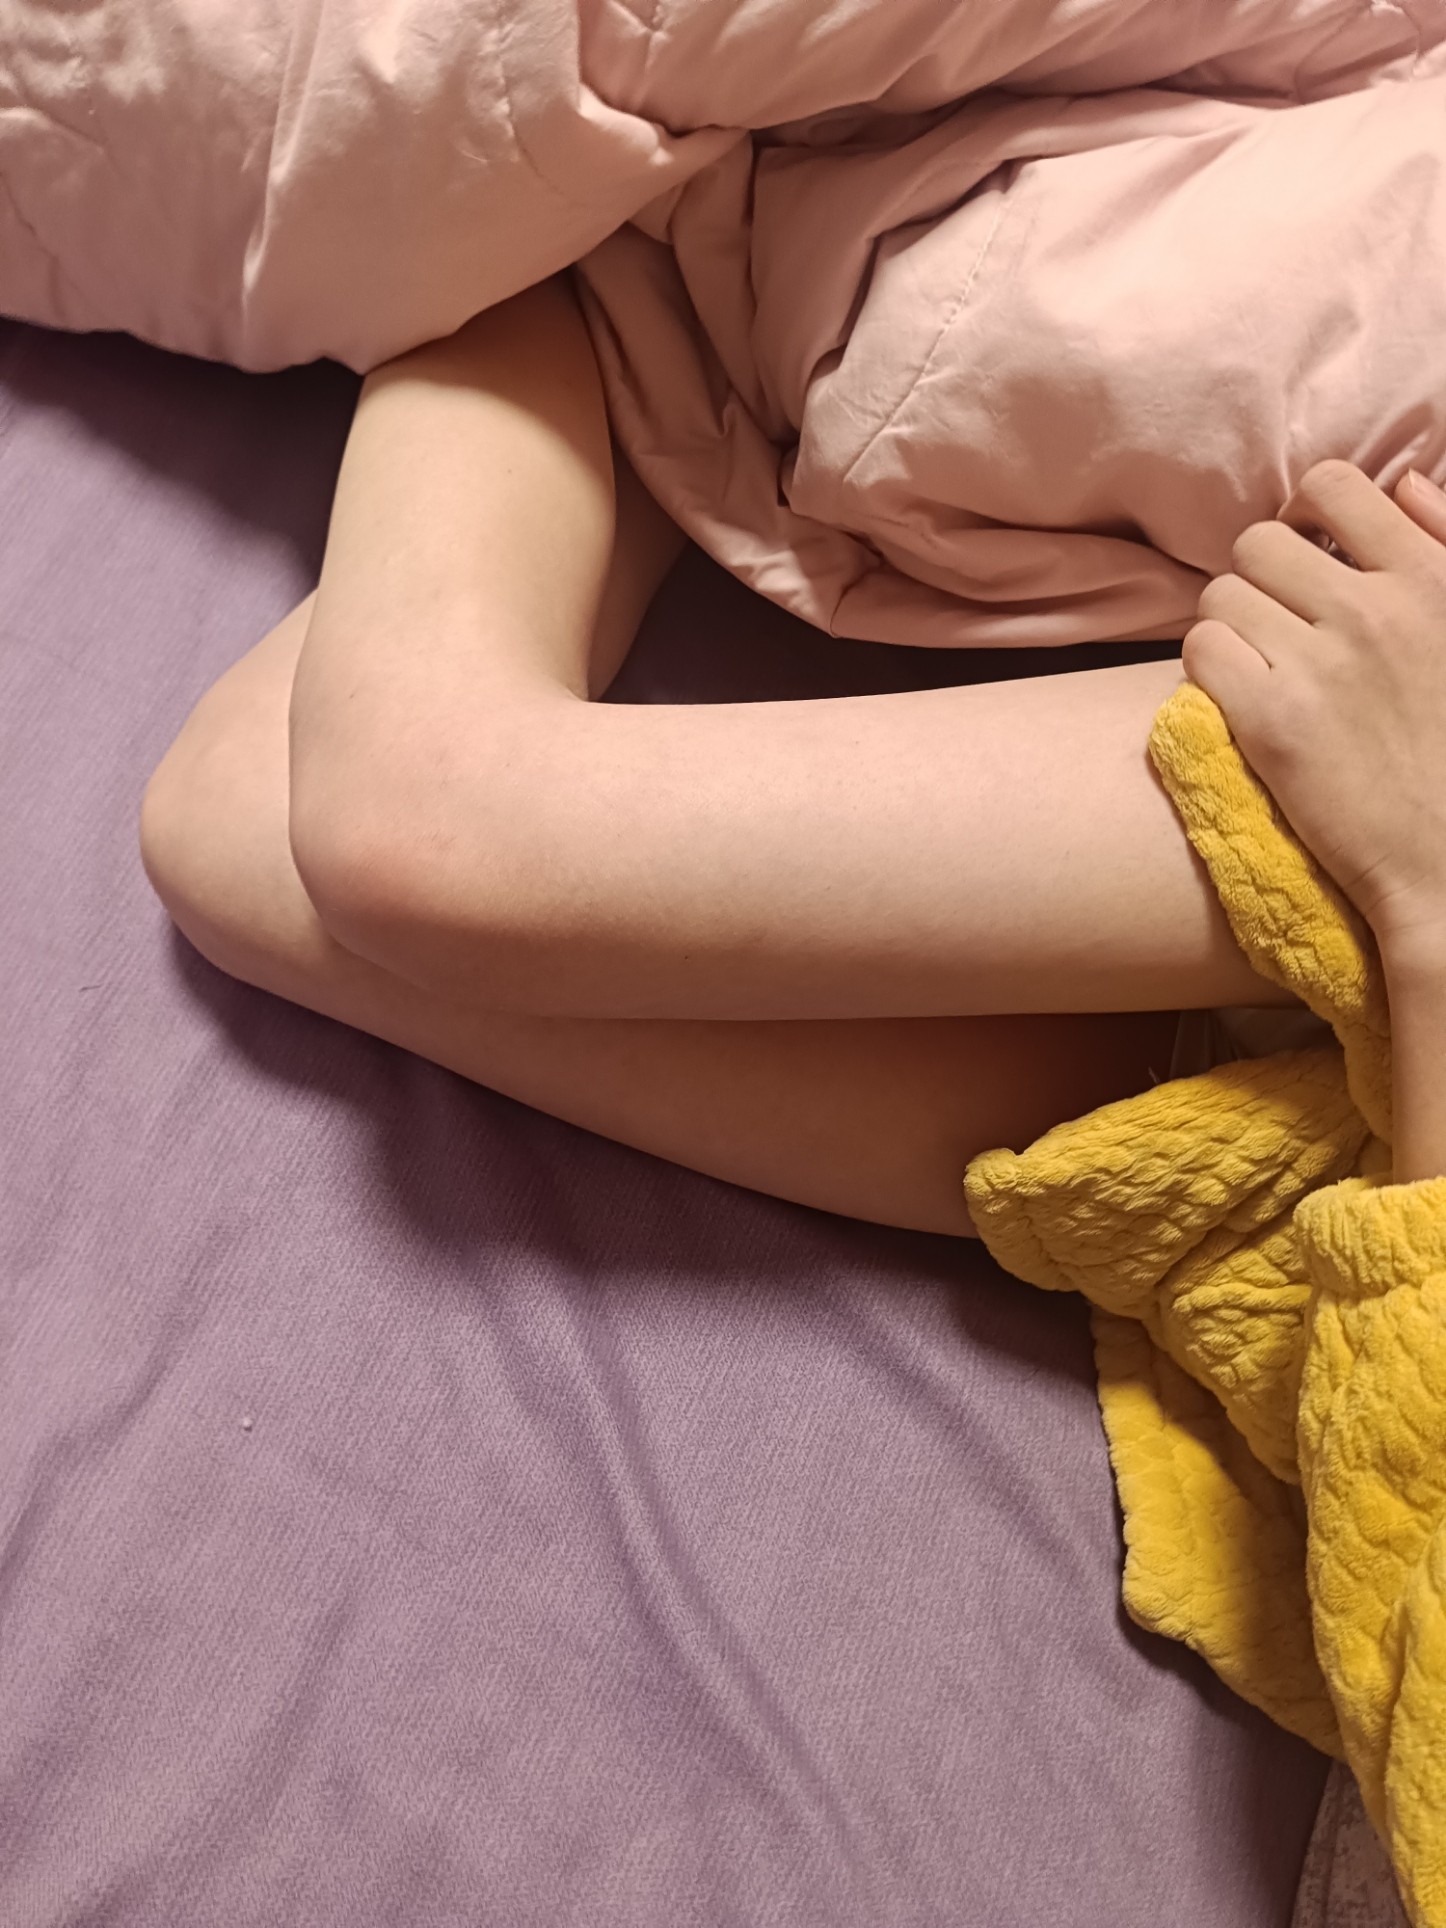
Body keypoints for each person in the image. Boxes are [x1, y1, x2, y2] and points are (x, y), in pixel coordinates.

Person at [136, 271, 1446, 1233]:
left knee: (265, 821)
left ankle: (571, 256)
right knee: (400, 828)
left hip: (1286, 1153)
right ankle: (588, 245)